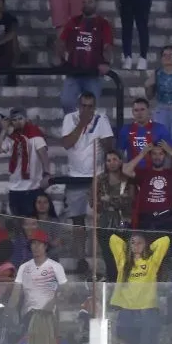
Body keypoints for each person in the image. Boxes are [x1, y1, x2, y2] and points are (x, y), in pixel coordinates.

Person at [109, 232, 171, 344]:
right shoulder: (123, 262)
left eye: (139, 243)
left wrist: (147, 249)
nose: (135, 246)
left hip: (147, 313)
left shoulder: (151, 262)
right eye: (133, 243)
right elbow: (113, 239)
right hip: (126, 313)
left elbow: (165, 240)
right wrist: (129, 248)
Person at [61, 91, 113, 275]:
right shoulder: (69, 119)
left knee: (98, 220)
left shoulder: (101, 119)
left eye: (90, 106)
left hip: (96, 176)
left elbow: (110, 146)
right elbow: (67, 143)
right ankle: (80, 259)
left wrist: (103, 136)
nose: (87, 109)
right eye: (84, 105)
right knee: (77, 221)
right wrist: (82, 124)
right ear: (78, 105)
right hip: (75, 176)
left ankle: (101, 259)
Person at [55, 0, 113, 113]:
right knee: (67, 102)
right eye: (84, 2)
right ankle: (73, 130)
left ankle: (88, 131)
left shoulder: (103, 24)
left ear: (96, 4)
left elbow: (107, 46)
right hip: (73, 72)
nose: (86, 4)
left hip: (92, 74)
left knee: (90, 108)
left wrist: (106, 62)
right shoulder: (73, 22)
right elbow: (61, 41)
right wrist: (60, 59)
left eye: (90, 2)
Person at [123, 141, 172, 232]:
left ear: (165, 156)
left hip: (166, 218)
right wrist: (142, 154)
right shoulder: (143, 173)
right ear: (150, 156)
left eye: (161, 154)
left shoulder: (171, 173)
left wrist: (171, 152)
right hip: (146, 218)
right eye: (154, 154)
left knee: (169, 246)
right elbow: (125, 170)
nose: (157, 157)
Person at [0, 108, 50, 217]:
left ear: (26, 119)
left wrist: (47, 174)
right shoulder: (11, 138)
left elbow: (44, 156)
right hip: (15, 189)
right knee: (18, 224)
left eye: (21, 119)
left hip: (32, 189)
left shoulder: (35, 135)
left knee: (31, 223)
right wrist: (3, 130)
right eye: (14, 120)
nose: (18, 122)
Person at [94, 150, 134, 282]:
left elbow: (129, 201)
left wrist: (109, 200)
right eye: (108, 160)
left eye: (114, 159)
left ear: (121, 161)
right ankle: (111, 286)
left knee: (124, 259)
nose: (111, 163)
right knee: (109, 259)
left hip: (124, 223)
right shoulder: (100, 179)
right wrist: (116, 200)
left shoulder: (127, 179)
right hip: (104, 223)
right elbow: (94, 202)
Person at [13, 229, 68, 323]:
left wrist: (53, 303)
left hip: (48, 316)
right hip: (27, 315)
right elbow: (15, 293)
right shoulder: (23, 267)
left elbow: (65, 290)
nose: (36, 247)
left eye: (40, 243)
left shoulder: (56, 267)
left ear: (45, 246)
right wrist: (11, 310)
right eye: (33, 243)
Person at [118, 97, 172, 164]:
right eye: (136, 110)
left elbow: (169, 154)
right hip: (133, 172)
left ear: (148, 111)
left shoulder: (160, 129)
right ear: (132, 112)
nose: (139, 113)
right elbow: (120, 153)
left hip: (154, 171)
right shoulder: (125, 130)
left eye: (142, 109)